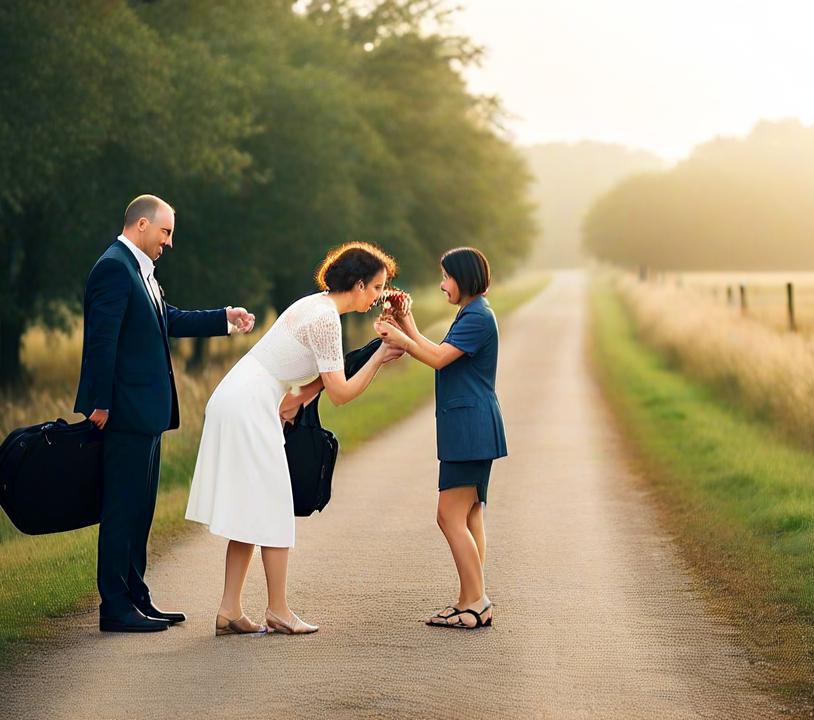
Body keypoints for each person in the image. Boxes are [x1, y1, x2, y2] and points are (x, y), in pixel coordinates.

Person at [186, 242, 405, 636]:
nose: (377, 298)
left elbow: (311, 374)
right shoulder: (325, 320)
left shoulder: (314, 305)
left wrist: (302, 394)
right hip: (251, 404)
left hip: (242, 395)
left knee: (252, 507)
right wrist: (380, 356)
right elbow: (340, 392)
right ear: (357, 285)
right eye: (375, 288)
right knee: (272, 505)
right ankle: (279, 611)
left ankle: (229, 610)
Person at [74, 194, 257, 633]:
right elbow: (102, 341)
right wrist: (99, 403)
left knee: (140, 511)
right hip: (123, 414)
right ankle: (115, 608)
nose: (169, 242)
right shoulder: (114, 268)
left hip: (148, 414)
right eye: (165, 232)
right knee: (121, 510)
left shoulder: (142, 271)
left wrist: (223, 319)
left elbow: (166, 319)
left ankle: (137, 597)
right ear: (141, 225)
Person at [375, 247, 506, 630]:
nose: (441, 283)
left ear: (463, 278)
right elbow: (437, 350)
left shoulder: (477, 316)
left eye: (446, 276)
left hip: (470, 429)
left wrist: (396, 334)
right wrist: (407, 322)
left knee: (449, 515)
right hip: (470, 428)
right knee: (468, 514)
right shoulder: (472, 313)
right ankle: (468, 600)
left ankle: (477, 602)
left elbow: (434, 359)